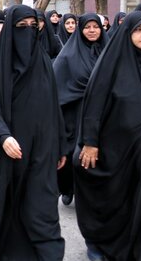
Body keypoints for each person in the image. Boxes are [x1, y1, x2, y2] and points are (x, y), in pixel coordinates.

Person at [0, 5, 67, 261]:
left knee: (42, 208)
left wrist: (60, 144)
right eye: (21, 27)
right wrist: (3, 136)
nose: (28, 33)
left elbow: (54, 106)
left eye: (33, 27)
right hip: (7, 151)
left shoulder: (43, 62)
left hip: (42, 150)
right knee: (4, 208)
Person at [73, 11, 141, 261]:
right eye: (139, 30)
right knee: (113, 200)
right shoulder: (111, 63)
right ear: (128, 34)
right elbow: (94, 105)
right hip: (114, 149)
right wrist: (91, 142)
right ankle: (101, 244)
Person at [52, 14, 107, 207]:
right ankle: (68, 188)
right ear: (80, 29)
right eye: (87, 27)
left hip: (100, 114)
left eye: (96, 27)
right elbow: (55, 85)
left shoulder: (109, 53)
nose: (92, 30)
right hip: (73, 114)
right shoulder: (68, 54)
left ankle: (89, 192)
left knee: (96, 156)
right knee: (71, 157)